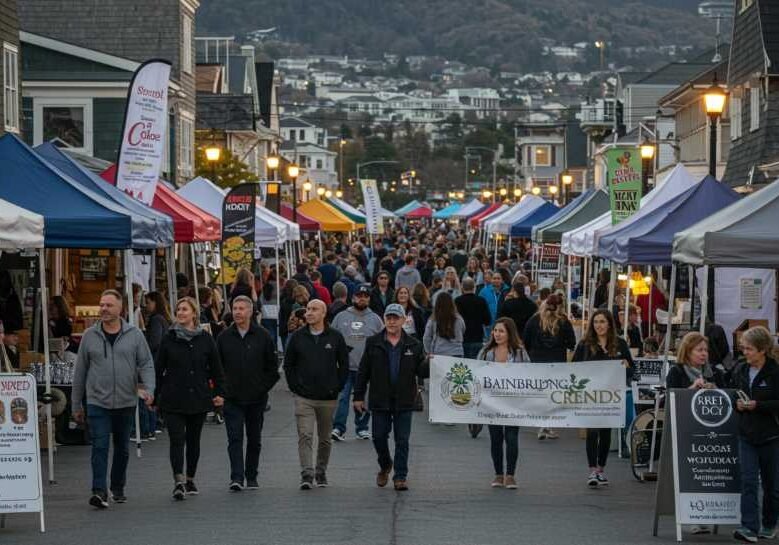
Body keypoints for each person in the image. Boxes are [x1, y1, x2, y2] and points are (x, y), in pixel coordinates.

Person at [71, 289, 155, 509]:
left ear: (121, 309)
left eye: (109, 305)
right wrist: (76, 404)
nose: (104, 309)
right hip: (97, 401)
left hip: (126, 401)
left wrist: (149, 389)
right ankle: (99, 490)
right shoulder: (90, 336)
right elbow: (80, 372)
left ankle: (117, 486)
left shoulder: (135, 335)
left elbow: (146, 364)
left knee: (122, 448)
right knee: (99, 445)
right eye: (102, 305)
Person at [154, 297, 225, 499]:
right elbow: (159, 369)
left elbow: (217, 369)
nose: (181, 313)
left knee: (193, 440)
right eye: (178, 309)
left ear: (194, 313)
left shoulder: (205, 338)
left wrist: (219, 393)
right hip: (173, 397)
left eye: (185, 309)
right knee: (177, 439)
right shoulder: (169, 338)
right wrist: (154, 395)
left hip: (198, 396)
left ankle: (190, 477)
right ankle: (178, 480)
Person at [354, 303, 428, 491]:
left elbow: (422, 372)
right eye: (389, 317)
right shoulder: (373, 342)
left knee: (402, 440)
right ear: (384, 319)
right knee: (378, 437)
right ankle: (385, 464)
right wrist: (358, 396)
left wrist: (429, 363)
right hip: (380, 397)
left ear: (404, 320)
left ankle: (400, 476)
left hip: (404, 399)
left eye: (396, 318)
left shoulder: (415, 344)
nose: (392, 321)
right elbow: (363, 371)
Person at [284, 299, 349, 489]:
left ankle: (321, 471)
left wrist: (337, 386)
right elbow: (288, 364)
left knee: (325, 438)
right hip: (304, 397)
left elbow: (344, 364)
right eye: (308, 310)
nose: (309, 313)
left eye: (314, 310)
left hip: (327, 397)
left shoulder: (335, 337)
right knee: (305, 434)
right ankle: (307, 473)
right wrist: (295, 387)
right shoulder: (297, 337)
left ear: (323, 314)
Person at [216, 295, 279, 491]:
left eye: (242, 308)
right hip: (232, 398)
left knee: (254, 439)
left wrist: (262, 387)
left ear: (251, 312)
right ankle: (236, 476)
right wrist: (221, 391)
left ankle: (251, 475)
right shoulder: (224, 337)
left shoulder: (263, 336)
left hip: (256, 398)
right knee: (234, 438)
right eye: (235, 308)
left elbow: (272, 368)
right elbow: (217, 367)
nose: (237, 312)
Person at [571, 309, 633, 488]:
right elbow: (574, 366)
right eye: (596, 322)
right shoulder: (585, 344)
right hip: (591, 394)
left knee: (606, 432)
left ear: (609, 324)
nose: (599, 325)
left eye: (602, 322)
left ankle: (601, 469)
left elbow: (631, 369)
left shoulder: (620, 344)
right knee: (592, 431)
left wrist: (625, 367)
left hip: (611, 395)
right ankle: (592, 470)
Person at [731, 326, 779, 543]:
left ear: (762, 350)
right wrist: (737, 405)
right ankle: (749, 527)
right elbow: (732, 393)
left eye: (749, 349)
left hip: (771, 436)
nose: (745, 353)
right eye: (743, 348)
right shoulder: (740, 369)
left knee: (772, 485)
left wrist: (757, 405)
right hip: (746, 434)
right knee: (748, 481)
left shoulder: (775, 372)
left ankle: (769, 523)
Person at [478, 318, 528, 489]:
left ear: (509, 333)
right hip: (492, 403)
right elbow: (475, 371)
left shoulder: (519, 352)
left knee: (512, 438)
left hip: (514, 402)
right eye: (495, 331)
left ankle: (511, 475)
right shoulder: (486, 351)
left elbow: (530, 373)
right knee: (496, 438)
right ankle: (498, 474)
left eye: (501, 331)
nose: (497, 334)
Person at [331, 284, 384, 441]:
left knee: (364, 398)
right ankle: (338, 428)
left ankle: (362, 428)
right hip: (345, 367)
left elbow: (382, 341)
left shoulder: (375, 319)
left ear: (368, 299)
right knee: (343, 398)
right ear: (353, 297)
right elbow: (332, 338)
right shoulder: (341, 316)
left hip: (366, 368)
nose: (362, 298)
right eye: (359, 295)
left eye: (365, 296)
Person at [455, 278, 491, 359]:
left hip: (462, 338)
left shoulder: (457, 301)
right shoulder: (481, 301)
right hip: (478, 337)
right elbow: (487, 320)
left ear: (462, 287)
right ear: (474, 287)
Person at [423, 291, 465, 358]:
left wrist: (429, 351)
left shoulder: (433, 319)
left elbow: (426, 337)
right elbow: (462, 331)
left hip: (439, 352)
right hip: (457, 352)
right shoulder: (458, 319)